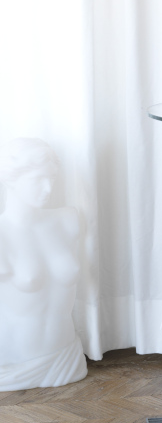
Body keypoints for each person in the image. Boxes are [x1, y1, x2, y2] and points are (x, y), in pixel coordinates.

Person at [0, 138, 87, 390]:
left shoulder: (68, 220)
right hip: (14, 361)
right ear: (10, 179)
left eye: (52, 178)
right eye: (38, 179)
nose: (48, 188)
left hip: (67, 355)